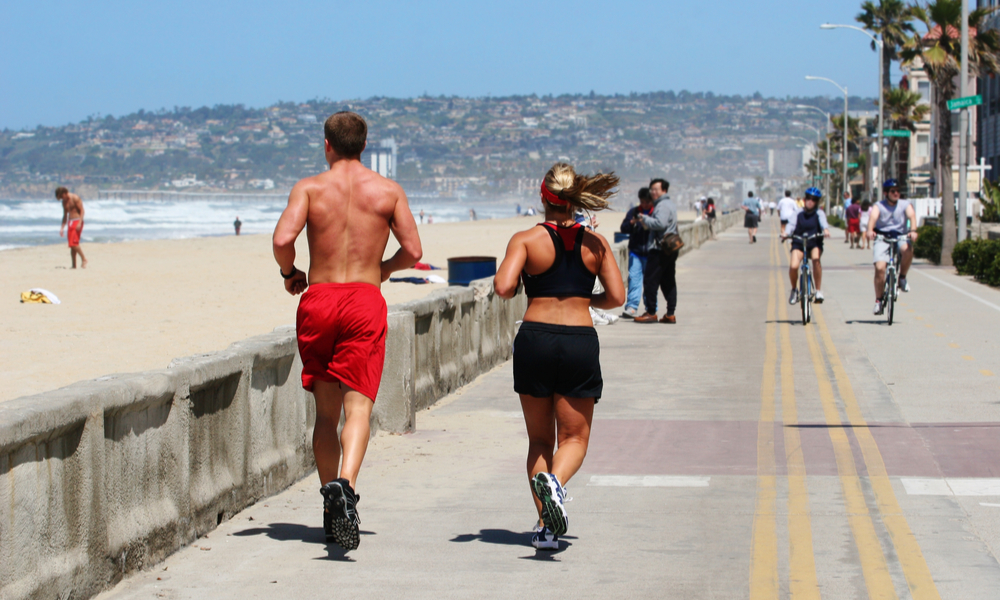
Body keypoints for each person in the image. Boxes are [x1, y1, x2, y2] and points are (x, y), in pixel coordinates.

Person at [272, 111, 422, 551]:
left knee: (325, 413)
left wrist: (290, 272)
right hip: (363, 299)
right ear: (365, 144)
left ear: (327, 145)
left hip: (318, 299)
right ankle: (347, 487)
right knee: (358, 410)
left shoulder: (310, 188)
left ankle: (328, 501)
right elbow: (413, 250)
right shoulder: (388, 191)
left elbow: (283, 239)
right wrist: (383, 268)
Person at [493, 162, 624, 550]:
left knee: (539, 441)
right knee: (575, 439)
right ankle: (556, 489)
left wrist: (531, 286)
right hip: (579, 340)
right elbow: (616, 298)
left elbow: (503, 287)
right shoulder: (595, 244)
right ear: (573, 199)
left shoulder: (525, 240)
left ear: (543, 196)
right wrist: (584, 299)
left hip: (535, 339)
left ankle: (546, 526)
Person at [865, 179, 917, 315]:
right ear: (886, 193)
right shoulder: (879, 206)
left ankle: (902, 278)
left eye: (898, 191)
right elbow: (872, 219)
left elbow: (912, 216)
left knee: (908, 250)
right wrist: (870, 230)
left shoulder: (905, 204)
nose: (896, 194)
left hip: (900, 236)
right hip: (883, 237)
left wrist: (913, 231)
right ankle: (878, 301)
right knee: (880, 268)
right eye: (893, 191)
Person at [634, 178, 679, 324]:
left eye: (656, 189)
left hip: (660, 249)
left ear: (664, 190)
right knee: (668, 281)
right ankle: (670, 313)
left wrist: (644, 218)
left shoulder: (663, 205)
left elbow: (660, 223)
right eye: (651, 189)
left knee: (650, 281)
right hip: (669, 248)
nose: (653, 192)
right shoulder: (668, 204)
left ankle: (651, 312)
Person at [782, 187, 831, 304]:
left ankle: (818, 291)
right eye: (808, 198)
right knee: (794, 266)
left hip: (814, 242)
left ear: (817, 202)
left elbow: (824, 223)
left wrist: (826, 230)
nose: (810, 201)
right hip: (799, 242)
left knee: (816, 259)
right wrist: (786, 233)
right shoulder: (798, 213)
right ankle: (794, 290)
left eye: (814, 199)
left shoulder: (819, 213)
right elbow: (791, 225)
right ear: (804, 199)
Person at [619, 188, 653, 318]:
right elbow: (623, 228)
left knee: (650, 282)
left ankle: (651, 308)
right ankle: (632, 307)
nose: (645, 204)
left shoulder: (655, 212)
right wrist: (633, 222)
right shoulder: (633, 212)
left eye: (647, 202)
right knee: (634, 279)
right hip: (636, 252)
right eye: (642, 201)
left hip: (651, 253)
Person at [56, 186, 88, 269]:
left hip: (77, 221)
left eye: (62, 197)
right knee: (71, 244)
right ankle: (74, 265)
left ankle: (84, 259)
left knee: (73, 243)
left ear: (65, 193)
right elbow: (65, 216)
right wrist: (62, 228)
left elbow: (82, 211)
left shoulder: (75, 198)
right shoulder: (64, 202)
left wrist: (80, 223)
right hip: (70, 222)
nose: (62, 199)